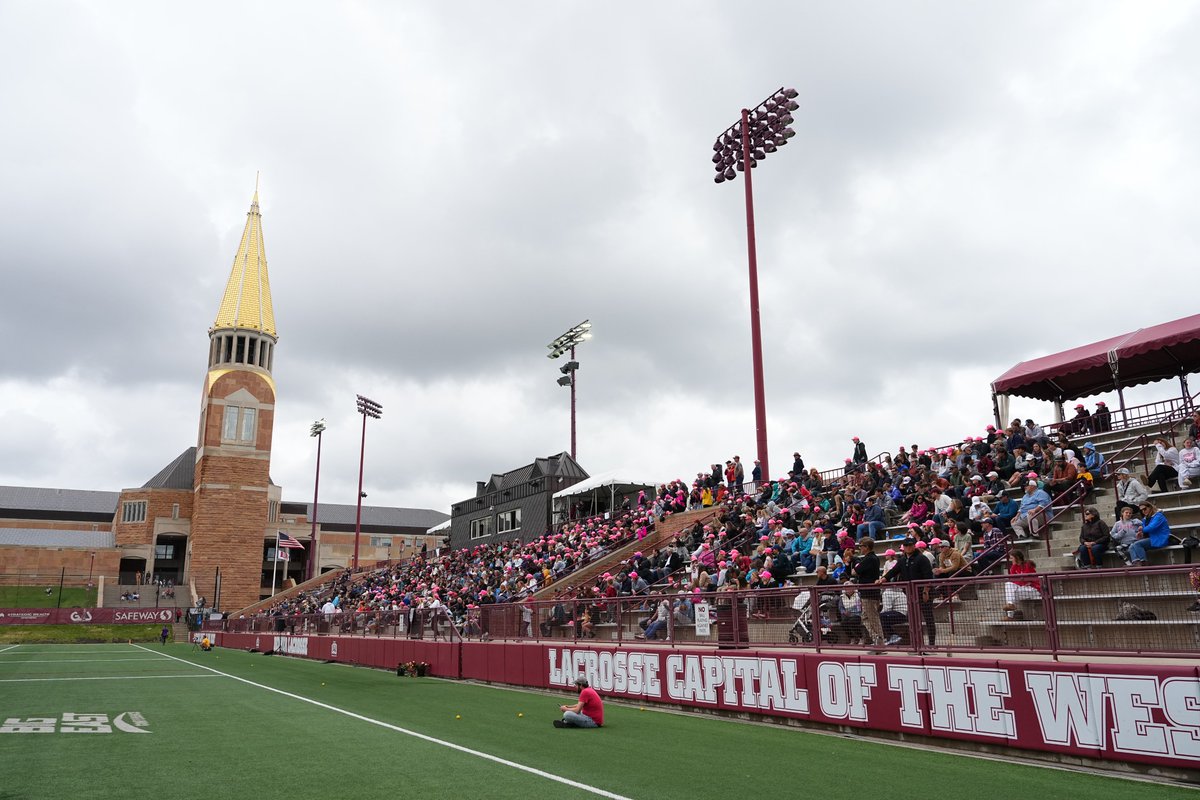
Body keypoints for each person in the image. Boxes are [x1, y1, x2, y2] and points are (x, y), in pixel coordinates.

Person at [882, 537, 936, 646]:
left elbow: (928, 576)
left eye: (910, 545)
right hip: (910, 593)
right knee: (913, 619)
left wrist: (926, 590)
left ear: (914, 546)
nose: (908, 547)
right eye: (906, 545)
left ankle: (931, 643)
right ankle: (916, 642)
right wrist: (883, 578)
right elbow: (893, 571)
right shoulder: (902, 560)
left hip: (922, 592)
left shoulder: (922, 558)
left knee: (928, 617)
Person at [850, 537, 885, 650]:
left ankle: (879, 642)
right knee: (865, 617)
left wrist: (854, 562)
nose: (860, 548)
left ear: (867, 547)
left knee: (873, 618)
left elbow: (854, 572)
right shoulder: (870, 558)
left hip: (869, 593)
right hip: (867, 593)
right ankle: (876, 639)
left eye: (861, 546)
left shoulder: (870, 558)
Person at [1128, 501, 1171, 566]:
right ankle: (1136, 563)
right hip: (1151, 538)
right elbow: (1146, 530)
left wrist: (1141, 529)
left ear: (1150, 507)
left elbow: (1151, 528)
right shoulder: (1145, 518)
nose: (1143, 511)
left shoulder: (1159, 516)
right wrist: (1141, 534)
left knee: (1137, 544)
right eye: (1141, 510)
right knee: (1131, 546)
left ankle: (1144, 562)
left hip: (1159, 538)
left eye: (1145, 509)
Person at [1002, 550, 1040, 618]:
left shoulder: (1027, 565)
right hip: (1024, 588)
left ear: (1017, 558)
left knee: (1011, 592)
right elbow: (1013, 580)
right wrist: (1021, 582)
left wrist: (1021, 581)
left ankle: (1010, 614)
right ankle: (1010, 613)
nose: (1011, 560)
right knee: (1008, 585)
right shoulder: (1014, 567)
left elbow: (1027, 579)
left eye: (1012, 558)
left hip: (1034, 589)